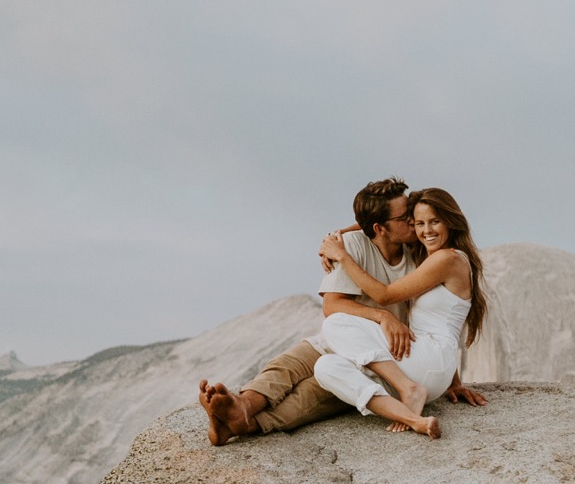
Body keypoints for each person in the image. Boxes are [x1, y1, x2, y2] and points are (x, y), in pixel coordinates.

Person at [198, 177, 484, 444]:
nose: (416, 224)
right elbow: (332, 306)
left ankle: (247, 424)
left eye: (419, 217)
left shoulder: (421, 251)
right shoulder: (354, 244)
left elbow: (439, 320)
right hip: (363, 337)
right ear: (379, 228)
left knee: (317, 392)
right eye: (408, 218)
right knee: (293, 363)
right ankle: (241, 408)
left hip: (395, 354)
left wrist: (448, 378)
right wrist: (341, 237)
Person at [314, 187, 486, 439]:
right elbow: (377, 223)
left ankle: (409, 390)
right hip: (425, 367)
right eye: (419, 223)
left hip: (430, 360)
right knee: (326, 367)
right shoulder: (427, 256)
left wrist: (342, 255)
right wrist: (336, 235)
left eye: (435, 222)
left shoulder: (448, 259)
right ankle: (412, 418)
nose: (426, 230)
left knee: (335, 323)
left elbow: (385, 296)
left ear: (451, 221)